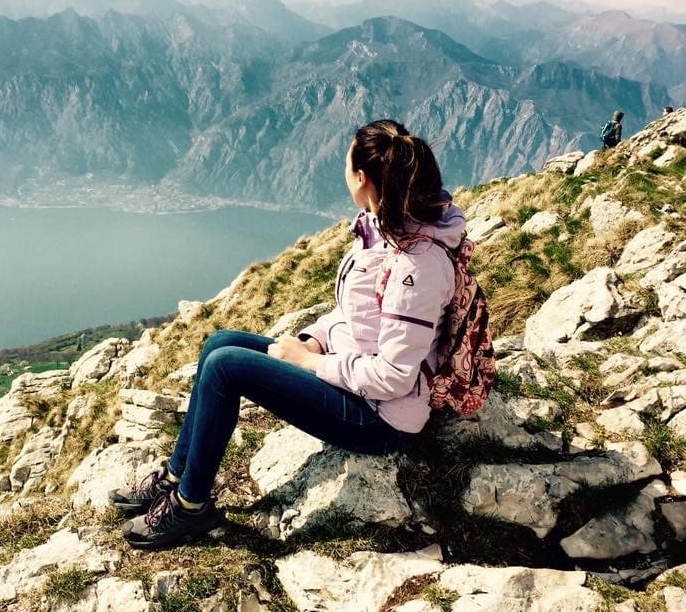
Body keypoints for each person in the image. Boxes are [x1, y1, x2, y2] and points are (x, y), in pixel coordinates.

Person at [110, 119, 466, 550]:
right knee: (219, 343)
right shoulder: (383, 229)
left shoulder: (417, 268)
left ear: (362, 178)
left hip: (381, 417)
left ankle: (191, 507)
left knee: (226, 369)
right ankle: (176, 477)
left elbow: (395, 377)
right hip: (354, 378)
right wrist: (312, 339)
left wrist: (312, 363)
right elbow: (357, 318)